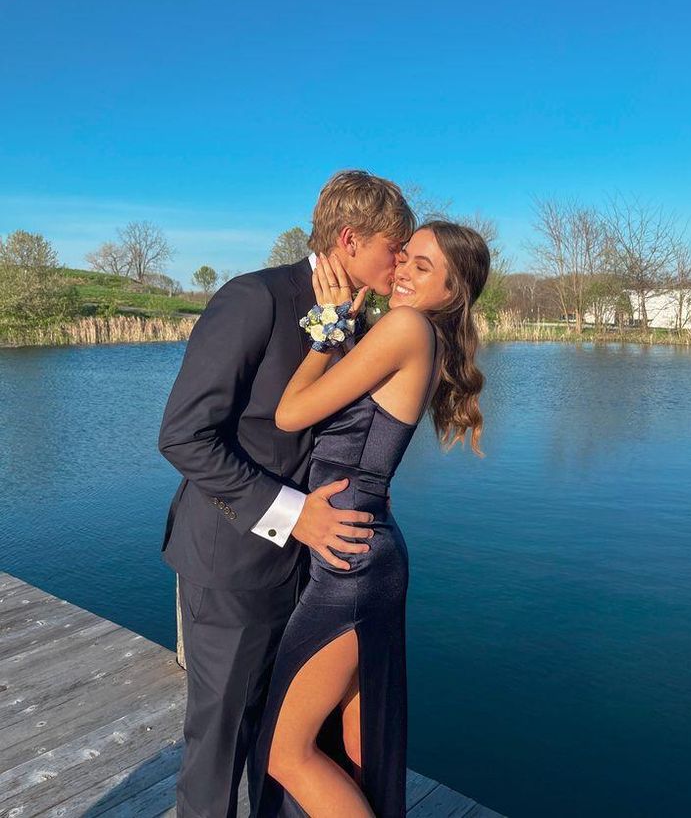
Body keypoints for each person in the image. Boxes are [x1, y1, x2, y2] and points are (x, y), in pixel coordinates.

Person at [157, 170, 415, 818]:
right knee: (221, 748)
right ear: (351, 239)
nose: (403, 258)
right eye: (396, 244)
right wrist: (296, 515)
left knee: (294, 744)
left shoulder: (360, 324)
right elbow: (184, 436)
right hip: (234, 566)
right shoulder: (255, 299)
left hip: (320, 574)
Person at [250, 219, 491, 817]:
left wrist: (328, 331)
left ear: (453, 290)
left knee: (287, 752)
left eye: (423, 267)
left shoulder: (406, 328)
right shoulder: (413, 335)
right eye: (405, 257)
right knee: (361, 747)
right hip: (365, 550)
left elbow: (290, 414)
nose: (404, 271)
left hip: (350, 563)